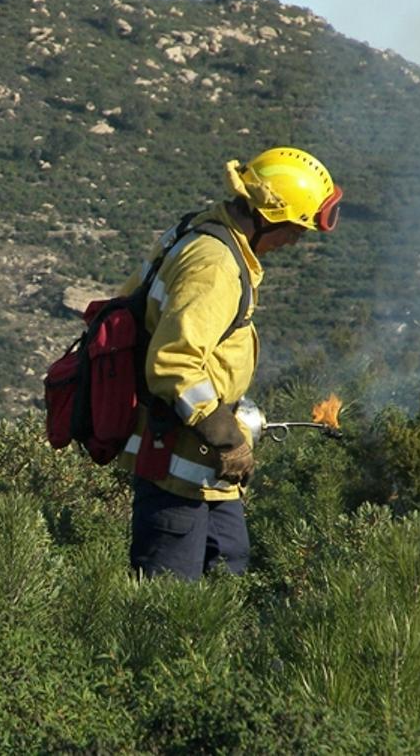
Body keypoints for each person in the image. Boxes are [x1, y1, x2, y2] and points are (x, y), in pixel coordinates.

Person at [120, 148, 342, 580]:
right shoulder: (216, 265)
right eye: (296, 229)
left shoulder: (204, 229)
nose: (296, 241)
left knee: (229, 571)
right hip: (176, 471)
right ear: (266, 217)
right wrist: (226, 437)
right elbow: (174, 364)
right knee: (171, 607)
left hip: (206, 474)